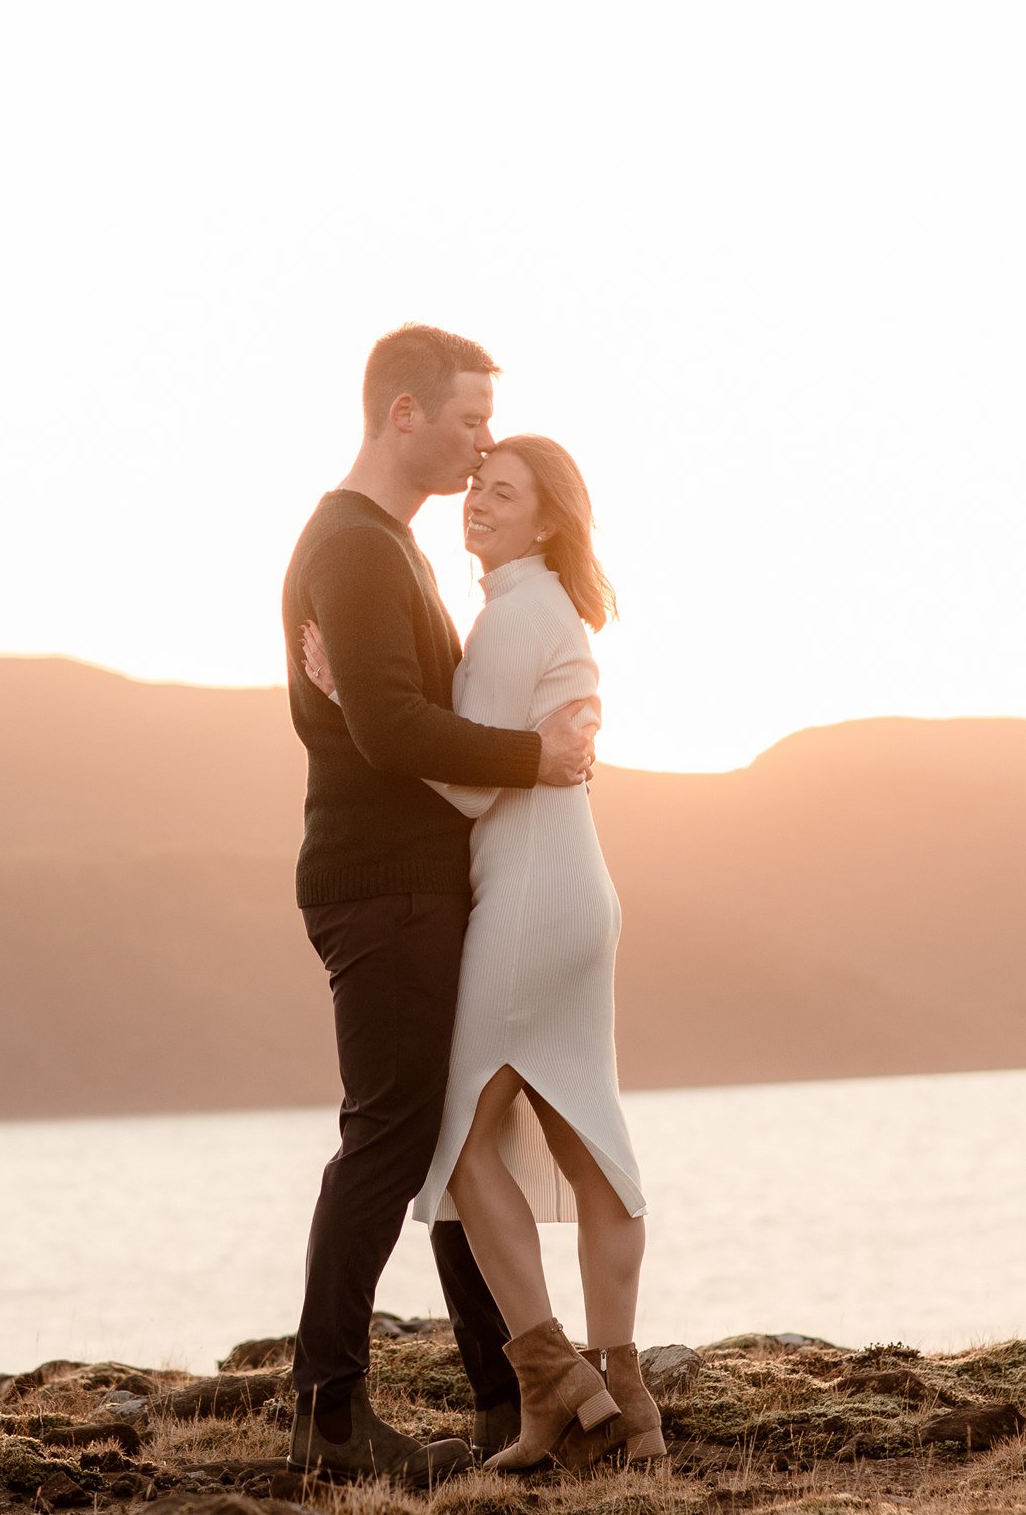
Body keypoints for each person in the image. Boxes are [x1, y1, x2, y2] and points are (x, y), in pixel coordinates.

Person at [302, 434, 665, 1473]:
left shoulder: (515, 616)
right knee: (580, 1131)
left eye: (503, 492)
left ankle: (558, 1380)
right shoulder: (540, 610)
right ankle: (615, 1388)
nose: (477, 501)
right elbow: (522, 744)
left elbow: (467, 783)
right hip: (569, 889)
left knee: (462, 1139)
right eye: (478, 487)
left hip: (526, 896)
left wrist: (350, 705)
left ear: (549, 517)